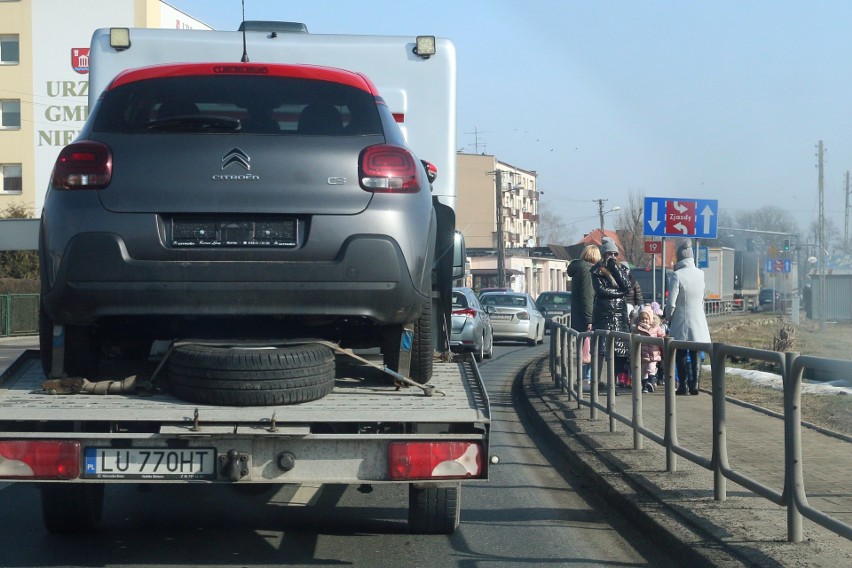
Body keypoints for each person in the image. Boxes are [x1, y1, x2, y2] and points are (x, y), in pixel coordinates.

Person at [665, 238, 711, 395]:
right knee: (696, 351)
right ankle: (695, 384)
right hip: (698, 318)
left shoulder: (677, 275)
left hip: (682, 319)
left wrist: (668, 317)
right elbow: (702, 298)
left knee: (682, 352)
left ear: (679, 257)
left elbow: (671, 302)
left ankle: (683, 385)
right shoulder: (701, 274)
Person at [591, 237, 633, 387]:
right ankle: (596, 382)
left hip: (619, 316)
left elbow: (627, 285)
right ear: (604, 254)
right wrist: (620, 293)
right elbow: (601, 290)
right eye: (610, 254)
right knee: (601, 350)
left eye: (615, 254)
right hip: (604, 315)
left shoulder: (621, 269)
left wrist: (614, 268)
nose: (613, 257)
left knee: (619, 352)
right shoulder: (596, 270)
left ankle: (614, 383)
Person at [567, 244, 601, 387]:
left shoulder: (578, 270)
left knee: (584, 348)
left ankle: (583, 378)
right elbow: (587, 297)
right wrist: (589, 319)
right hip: (586, 317)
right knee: (589, 349)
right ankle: (586, 379)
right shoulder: (587, 271)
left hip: (578, 316)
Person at [633, 305, 665, 392]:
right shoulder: (637, 328)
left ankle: (651, 382)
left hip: (653, 353)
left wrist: (664, 337)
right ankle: (645, 386)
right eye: (642, 319)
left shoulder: (656, 328)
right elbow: (633, 337)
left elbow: (660, 335)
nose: (644, 321)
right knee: (643, 372)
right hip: (643, 355)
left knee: (651, 368)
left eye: (646, 319)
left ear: (650, 318)